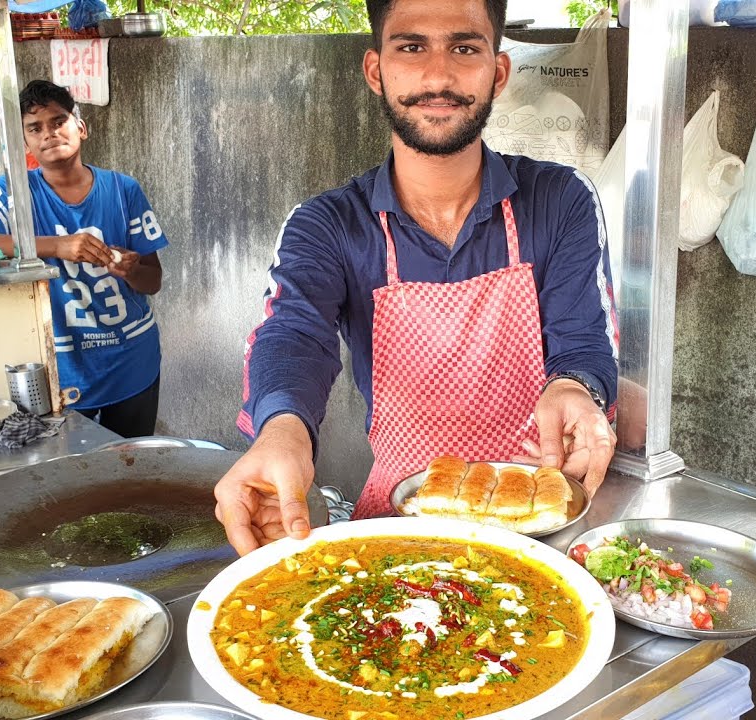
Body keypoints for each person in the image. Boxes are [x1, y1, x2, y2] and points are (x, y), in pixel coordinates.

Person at [214, 0, 619, 555]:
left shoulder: (560, 200)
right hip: (400, 520)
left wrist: (577, 387)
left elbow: (584, 338)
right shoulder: (328, 224)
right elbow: (292, 335)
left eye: (464, 48)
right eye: (410, 47)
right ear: (376, 70)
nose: (437, 75)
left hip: (547, 517)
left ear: (497, 72)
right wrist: (283, 428)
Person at [0, 80, 167, 437]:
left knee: (130, 468)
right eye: (35, 128)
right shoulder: (15, 191)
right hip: (62, 367)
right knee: (70, 472)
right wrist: (56, 246)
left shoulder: (124, 190)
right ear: (26, 143)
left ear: (80, 127)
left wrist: (131, 271)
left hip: (131, 361)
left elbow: (153, 280)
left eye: (58, 121)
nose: (49, 134)